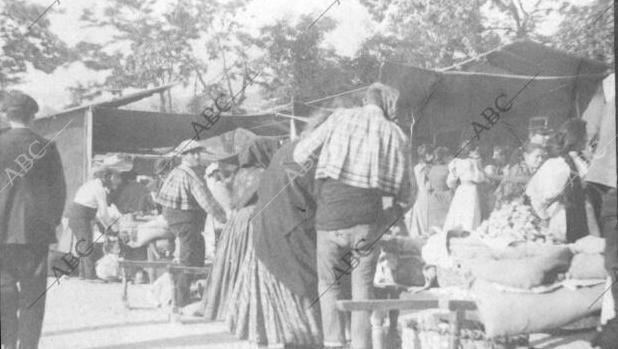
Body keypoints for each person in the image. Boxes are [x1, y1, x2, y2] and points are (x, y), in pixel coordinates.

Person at [293, 83, 411, 349]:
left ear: (364, 99)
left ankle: (333, 343)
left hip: (330, 216)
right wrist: (391, 214)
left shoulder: (341, 117)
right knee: (363, 288)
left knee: (328, 284)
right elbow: (409, 193)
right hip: (368, 221)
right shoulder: (396, 134)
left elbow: (301, 154)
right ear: (388, 105)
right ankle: (360, 346)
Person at [226, 136, 323, 346]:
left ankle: (260, 332)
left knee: (255, 277)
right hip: (262, 217)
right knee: (280, 273)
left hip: (245, 222)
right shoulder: (265, 172)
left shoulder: (240, 173)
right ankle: (296, 333)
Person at [0, 90, 66, 349]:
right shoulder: (47, 148)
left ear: (6, 114)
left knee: (2, 291)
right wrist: (54, 222)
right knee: (33, 295)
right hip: (34, 233)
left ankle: (6, 342)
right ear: (32, 117)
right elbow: (58, 191)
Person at [202, 138, 279, 320]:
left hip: (238, 220)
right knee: (253, 264)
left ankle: (229, 304)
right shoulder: (264, 173)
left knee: (234, 261)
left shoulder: (240, 172)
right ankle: (251, 306)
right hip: (257, 217)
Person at [156, 139, 227, 307]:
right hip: (184, 219)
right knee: (188, 256)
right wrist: (224, 219)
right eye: (192, 153)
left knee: (198, 250)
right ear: (184, 156)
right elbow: (206, 201)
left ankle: (188, 291)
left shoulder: (176, 171)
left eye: (198, 152)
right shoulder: (189, 175)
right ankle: (180, 300)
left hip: (176, 218)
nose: (197, 156)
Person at [526, 119, 590, 243]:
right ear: (575, 138)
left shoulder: (579, 160)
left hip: (582, 220)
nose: (587, 139)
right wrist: (545, 218)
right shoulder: (557, 164)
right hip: (564, 224)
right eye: (584, 135)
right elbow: (538, 196)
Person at [68, 161, 126, 280]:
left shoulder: (92, 185)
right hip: (81, 218)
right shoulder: (99, 189)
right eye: (115, 178)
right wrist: (113, 229)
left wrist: (106, 226)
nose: (116, 182)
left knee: (83, 245)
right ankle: (89, 276)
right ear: (107, 177)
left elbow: (98, 213)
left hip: (77, 217)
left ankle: (83, 274)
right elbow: (103, 213)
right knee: (86, 245)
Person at [443, 141, 485, 233]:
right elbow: (451, 181)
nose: (466, 149)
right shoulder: (456, 162)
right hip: (465, 189)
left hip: (467, 189)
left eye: (468, 147)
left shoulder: (472, 161)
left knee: (469, 211)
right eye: (465, 147)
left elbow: (479, 178)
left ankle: (468, 231)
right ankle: (462, 231)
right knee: (461, 211)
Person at [494, 142, 546, 207]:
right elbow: (507, 198)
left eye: (542, 157)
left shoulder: (537, 171)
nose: (540, 160)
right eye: (537, 156)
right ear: (526, 156)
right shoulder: (517, 171)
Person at [424, 146, 454, 232]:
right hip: (446, 196)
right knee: (446, 223)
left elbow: (429, 185)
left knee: (435, 224)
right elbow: (451, 184)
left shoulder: (431, 168)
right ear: (445, 156)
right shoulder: (448, 168)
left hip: (434, 197)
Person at [407, 144, 434, 238]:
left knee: (419, 210)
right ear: (426, 155)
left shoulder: (416, 167)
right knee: (424, 210)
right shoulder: (427, 168)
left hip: (419, 191)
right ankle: (425, 230)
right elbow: (428, 182)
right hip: (425, 191)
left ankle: (420, 229)